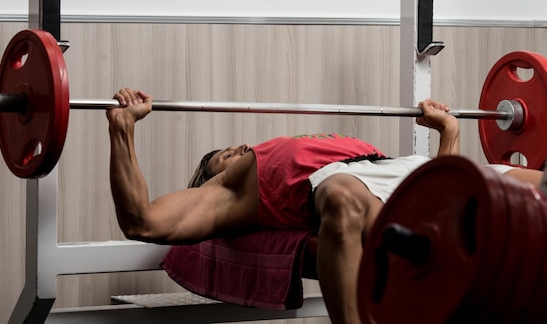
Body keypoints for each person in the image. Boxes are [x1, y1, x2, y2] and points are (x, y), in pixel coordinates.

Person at [105, 88, 544, 324]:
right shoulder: (234, 187)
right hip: (344, 184)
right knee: (341, 195)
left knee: (533, 187)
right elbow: (141, 221)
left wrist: (447, 128)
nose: (237, 147)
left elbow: (442, 200)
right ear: (212, 176)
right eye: (221, 155)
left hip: (398, 170)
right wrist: (123, 129)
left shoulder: (338, 146)